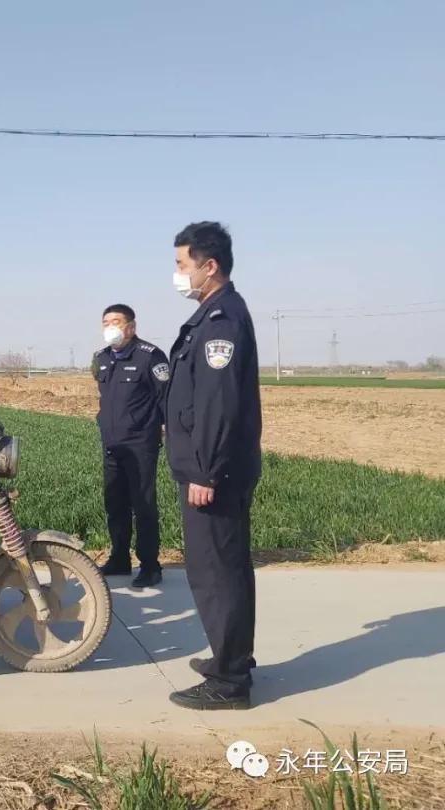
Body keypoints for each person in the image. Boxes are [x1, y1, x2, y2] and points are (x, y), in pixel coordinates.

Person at [164, 222, 262, 710]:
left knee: (217, 572)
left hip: (213, 474)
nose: (178, 273)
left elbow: (219, 406)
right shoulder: (212, 315)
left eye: (182, 264)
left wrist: (205, 472)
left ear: (210, 266)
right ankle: (231, 658)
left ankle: (229, 682)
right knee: (225, 568)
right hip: (212, 468)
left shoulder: (221, 321)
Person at [93, 303, 169, 589]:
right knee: (115, 503)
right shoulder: (101, 359)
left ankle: (150, 565)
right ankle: (119, 558)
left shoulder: (150, 356)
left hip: (140, 445)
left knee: (143, 505)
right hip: (112, 444)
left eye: (116, 321)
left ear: (131, 327)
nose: (110, 327)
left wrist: (163, 432)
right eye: (106, 322)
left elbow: (166, 399)